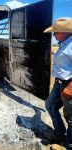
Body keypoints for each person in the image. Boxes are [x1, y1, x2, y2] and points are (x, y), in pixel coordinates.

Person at [44, 17, 72, 150]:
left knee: (71, 118)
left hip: (68, 85)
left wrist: (71, 87)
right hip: (58, 83)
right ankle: (60, 134)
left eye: (56, 32)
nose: (54, 34)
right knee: (50, 106)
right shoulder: (64, 43)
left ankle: (68, 146)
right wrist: (56, 53)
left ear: (65, 32)